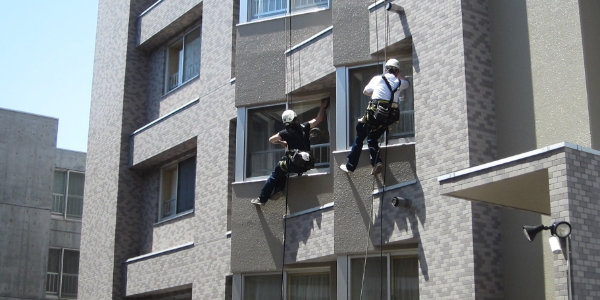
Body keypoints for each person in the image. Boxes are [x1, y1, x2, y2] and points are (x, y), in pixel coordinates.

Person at [251, 98, 329, 206]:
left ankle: (262, 199)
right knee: (282, 169)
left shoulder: (285, 132)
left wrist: (282, 142)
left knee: (276, 173)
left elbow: (271, 140)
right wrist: (322, 106)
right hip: (306, 164)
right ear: (295, 118)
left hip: (293, 164)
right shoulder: (304, 126)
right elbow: (319, 119)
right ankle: (278, 190)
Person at [340, 59, 410, 175]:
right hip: (388, 118)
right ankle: (376, 162)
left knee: (360, 135)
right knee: (372, 138)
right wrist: (398, 74)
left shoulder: (378, 78)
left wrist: (375, 93)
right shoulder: (399, 82)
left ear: (385, 69)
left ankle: (350, 166)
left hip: (374, 114)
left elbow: (365, 91)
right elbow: (407, 82)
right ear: (397, 71)